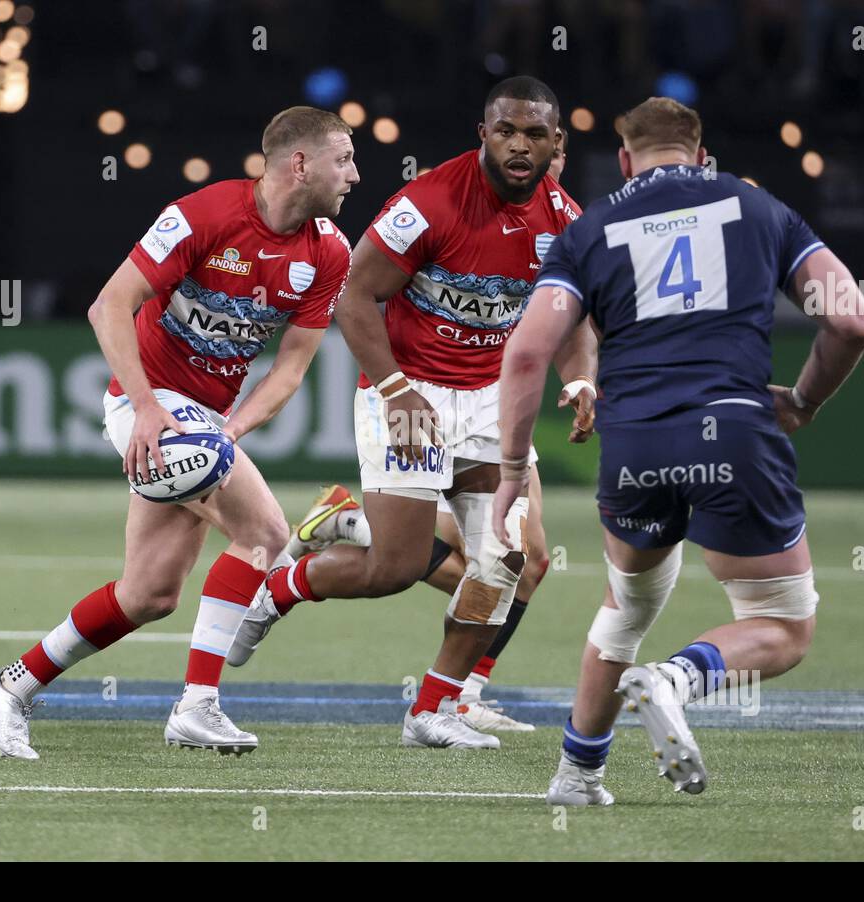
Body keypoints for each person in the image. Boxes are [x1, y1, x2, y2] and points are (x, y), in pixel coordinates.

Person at [492, 96, 864, 803]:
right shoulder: (759, 208)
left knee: (625, 609)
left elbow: (525, 356)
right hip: (733, 429)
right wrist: (806, 400)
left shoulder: (590, 227)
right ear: (702, 156)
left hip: (633, 442)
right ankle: (678, 678)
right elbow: (851, 320)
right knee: (783, 625)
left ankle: (577, 774)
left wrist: (514, 469)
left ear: (627, 159)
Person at [0, 106, 359, 759]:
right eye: (343, 158)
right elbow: (109, 305)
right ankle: (197, 707)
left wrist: (228, 430)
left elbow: (291, 369)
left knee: (149, 593)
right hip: (146, 404)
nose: (354, 174)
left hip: (205, 421)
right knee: (263, 532)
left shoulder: (329, 252)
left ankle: (11, 685)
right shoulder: (203, 215)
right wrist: (150, 409)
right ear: (301, 164)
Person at [227, 77, 598, 750]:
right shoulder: (428, 202)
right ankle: (282, 587)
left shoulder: (566, 220)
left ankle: (434, 706)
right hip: (410, 395)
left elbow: (571, 318)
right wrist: (394, 385)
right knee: (393, 566)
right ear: (483, 134)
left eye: (535, 134)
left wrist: (581, 382)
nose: (520, 146)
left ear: (557, 143)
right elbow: (352, 296)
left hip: (490, 404)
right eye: (507, 131)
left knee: (503, 563)